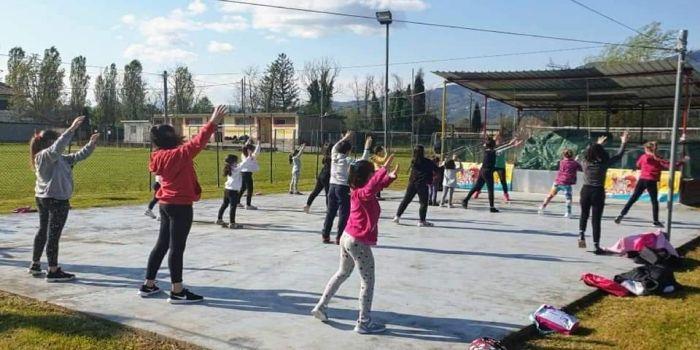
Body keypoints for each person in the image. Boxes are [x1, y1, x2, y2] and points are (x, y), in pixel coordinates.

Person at [139, 105, 227, 303]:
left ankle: (148, 284)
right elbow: (198, 142)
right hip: (181, 205)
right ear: (172, 137)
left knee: (161, 245)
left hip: (165, 203)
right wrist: (212, 122)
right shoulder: (178, 154)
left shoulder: (157, 156)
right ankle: (177, 291)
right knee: (177, 248)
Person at [311, 154, 399, 334]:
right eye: (372, 173)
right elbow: (373, 186)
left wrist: (389, 176)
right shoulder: (363, 193)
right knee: (368, 281)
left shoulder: (358, 191)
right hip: (357, 241)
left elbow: (376, 186)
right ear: (367, 177)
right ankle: (363, 322)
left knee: (342, 272)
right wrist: (383, 169)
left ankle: (321, 306)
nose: (375, 175)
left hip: (347, 238)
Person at [29, 116, 99, 281]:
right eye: (55, 141)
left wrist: (91, 144)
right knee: (53, 234)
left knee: (44, 231)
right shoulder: (44, 155)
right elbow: (58, 146)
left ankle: (35, 264)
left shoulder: (57, 158)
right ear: (49, 143)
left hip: (44, 198)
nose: (60, 145)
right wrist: (72, 129)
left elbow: (77, 157)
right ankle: (53, 271)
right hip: (55, 200)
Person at [578, 131, 629, 254]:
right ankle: (596, 245)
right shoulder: (604, 164)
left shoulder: (585, 163)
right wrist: (623, 143)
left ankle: (581, 235)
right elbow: (618, 155)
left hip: (585, 190)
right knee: (596, 219)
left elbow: (584, 153)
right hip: (598, 191)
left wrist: (596, 144)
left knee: (584, 214)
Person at [614, 141, 686, 227]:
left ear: (647, 149)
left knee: (633, 198)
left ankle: (621, 215)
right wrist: (682, 161)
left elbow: (638, 165)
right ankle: (655, 221)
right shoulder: (658, 158)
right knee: (654, 201)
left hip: (642, 179)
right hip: (651, 181)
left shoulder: (643, 157)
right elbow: (670, 166)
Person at [321, 131, 372, 244]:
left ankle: (325, 235)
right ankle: (339, 237)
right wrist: (367, 147)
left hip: (332, 186)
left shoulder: (334, 154)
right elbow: (363, 160)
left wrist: (345, 138)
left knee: (330, 212)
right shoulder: (347, 160)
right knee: (344, 213)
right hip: (343, 188)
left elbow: (335, 146)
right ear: (348, 151)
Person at [462, 138, 520, 212]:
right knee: (490, 190)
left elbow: (499, 149)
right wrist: (512, 145)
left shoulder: (486, 150)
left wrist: (509, 144)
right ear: (493, 145)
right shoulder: (494, 152)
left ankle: (465, 200)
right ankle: (492, 207)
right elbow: (501, 150)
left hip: (482, 170)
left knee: (477, 186)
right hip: (488, 172)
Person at [392, 145, 438, 227]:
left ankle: (397, 216)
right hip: (422, 184)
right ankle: (422, 221)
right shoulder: (428, 162)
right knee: (423, 203)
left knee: (406, 200)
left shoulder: (413, 161)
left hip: (412, 183)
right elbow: (436, 169)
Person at [538, 149, 582, 218]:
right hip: (567, 184)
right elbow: (580, 168)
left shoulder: (561, 162)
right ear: (572, 155)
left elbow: (569, 163)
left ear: (563, 155)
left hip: (557, 182)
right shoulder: (575, 163)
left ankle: (542, 207)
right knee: (568, 198)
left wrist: (574, 161)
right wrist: (577, 161)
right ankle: (568, 213)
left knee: (550, 195)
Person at [216, 154, 243, 229]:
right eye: (236, 161)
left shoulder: (230, 168)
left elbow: (240, 165)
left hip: (227, 190)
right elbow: (243, 164)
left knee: (225, 204)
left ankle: (219, 219)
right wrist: (249, 155)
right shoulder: (235, 169)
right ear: (233, 162)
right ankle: (232, 223)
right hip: (233, 191)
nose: (237, 162)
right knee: (233, 207)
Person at [304, 144, 331, 213]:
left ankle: (307, 205)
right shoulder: (332, 157)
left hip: (321, 175)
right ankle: (329, 209)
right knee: (328, 194)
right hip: (327, 176)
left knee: (315, 192)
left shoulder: (325, 156)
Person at [237, 138, 261, 210]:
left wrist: (248, 141)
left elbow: (245, 148)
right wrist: (258, 144)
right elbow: (257, 152)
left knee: (243, 188)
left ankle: (237, 202)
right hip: (247, 174)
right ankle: (248, 204)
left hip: (243, 173)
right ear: (249, 150)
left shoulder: (243, 155)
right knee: (250, 189)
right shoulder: (251, 157)